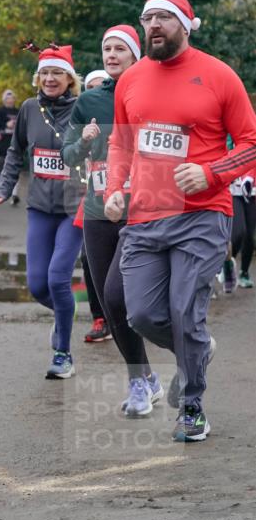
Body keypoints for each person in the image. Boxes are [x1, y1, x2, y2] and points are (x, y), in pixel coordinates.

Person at [104, 0, 256, 441]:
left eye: (164, 18)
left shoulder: (218, 75)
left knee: (184, 310)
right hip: (146, 215)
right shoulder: (131, 80)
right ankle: (197, 349)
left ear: (185, 25)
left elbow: (251, 142)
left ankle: (191, 406)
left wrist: (211, 173)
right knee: (143, 314)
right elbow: (121, 142)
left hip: (202, 215)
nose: (153, 25)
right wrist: (114, 189)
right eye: (147, 18)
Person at [63, 26, 163, 416]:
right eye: (107, 48)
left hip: (143, 209)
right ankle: (142, 379)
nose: (112, 54)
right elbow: (68, 157)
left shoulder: (152, 92)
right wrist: (85, 141)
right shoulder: (89, 100)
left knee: (127, 296)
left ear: (137, 54)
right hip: (98, 210)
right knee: (109, 299)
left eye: (121, 48)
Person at [0, 45, 85, 378]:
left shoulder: (83, 108)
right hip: (40, 208)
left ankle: (63, 353)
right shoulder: (30, 109)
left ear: (69, 79)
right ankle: (63, 319)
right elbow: (15, 153)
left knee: (59, 279)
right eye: (44, 73)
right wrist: (4, 188)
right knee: (37, 285)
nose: (49, 79)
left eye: (57, 73)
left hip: (75, 208)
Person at [79, 69, 111, 344]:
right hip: (91, 196)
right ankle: (100, 317)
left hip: (128, 196)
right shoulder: (82, 118)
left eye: (102, 86)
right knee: (88, 257)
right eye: (91, 87)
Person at [0, 89, 21, 205]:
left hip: (15, 142)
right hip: (2, 143)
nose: (10, 101)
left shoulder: (18, 111)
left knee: (15, 168)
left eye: (12, 99)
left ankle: (14, 195)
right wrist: (6, 125)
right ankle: (1, 190)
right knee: (2, 169)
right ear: (4, 100)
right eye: (7, 99)